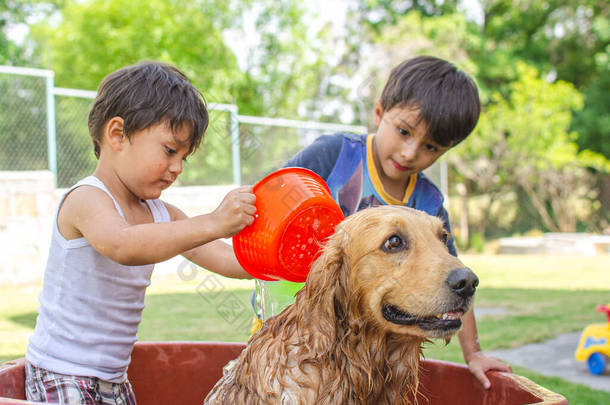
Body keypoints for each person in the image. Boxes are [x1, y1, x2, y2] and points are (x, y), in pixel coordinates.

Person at [252, 55, 512, 389]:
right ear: (379, 112)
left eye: (430, 146)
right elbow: (271, 198)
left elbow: (453, 275)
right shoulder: (335, 155)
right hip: (291, 328)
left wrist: (474, 353)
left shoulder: (429, 202)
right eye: (404, 131)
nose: (409, 152)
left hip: (369, 352)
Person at [25, 61, 256, 404]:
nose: (177, 167)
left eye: (184, 157)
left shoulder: (161, 214)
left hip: (114, 380)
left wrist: (280, 258)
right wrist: (213, 221)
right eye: (169, 150)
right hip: (61, 373)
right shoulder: (87, 199)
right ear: (117, 134)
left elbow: (227, 258)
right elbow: (122, 245)